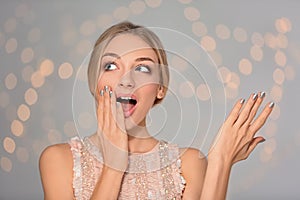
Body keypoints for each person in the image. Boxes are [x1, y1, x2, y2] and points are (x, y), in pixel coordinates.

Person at [39, 21, 274, 200]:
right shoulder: (60, 160)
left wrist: (220, 161)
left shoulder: (188, 163)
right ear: (94, 81)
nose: (126, 80)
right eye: (111, 66)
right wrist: (113, 165)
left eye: (141, 68)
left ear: (160, 88)